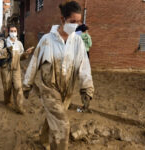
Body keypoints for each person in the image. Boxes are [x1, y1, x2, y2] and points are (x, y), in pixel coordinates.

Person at [22, 1, 94, 150]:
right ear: (63, 20)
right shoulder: (47, 40)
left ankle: (43, 139)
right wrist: (27, 84)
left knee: (54, 118)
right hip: (49, 90)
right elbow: (34, 62)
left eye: (78, 21)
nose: (76, 25)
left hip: (67, 91)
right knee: (62, 125)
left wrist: (87, 88)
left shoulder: (78, 42)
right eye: (72, 21)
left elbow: (84, 66)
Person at [0, 25, 34, 114]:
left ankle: (19, 107)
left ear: (17, 32)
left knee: (18, 87)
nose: (13, 33)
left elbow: (21, 57)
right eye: (11, 31)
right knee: (7, 87)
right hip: (6, 69)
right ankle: (7, 101)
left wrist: (26, 54)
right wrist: (4, 52)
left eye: (15, 31)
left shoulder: (19, 44)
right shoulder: (3, 42)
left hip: (16, 68)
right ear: (8, 32)